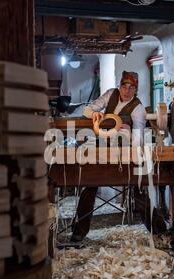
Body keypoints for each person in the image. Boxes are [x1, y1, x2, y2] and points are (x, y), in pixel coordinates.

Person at [70, 71, 165, 242]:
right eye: (124, 86)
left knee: (139, 192)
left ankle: (160, 232)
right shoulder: (111, 94)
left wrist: (129, 135)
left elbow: (139, 140)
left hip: (125, 155)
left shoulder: (138, 108)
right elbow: (87, 110)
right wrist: (95, 114)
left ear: (135, 90)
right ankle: (78, 233)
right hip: (103, 150)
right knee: (89, 187)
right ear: (120, 86)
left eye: (131, 88)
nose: (127, 91)